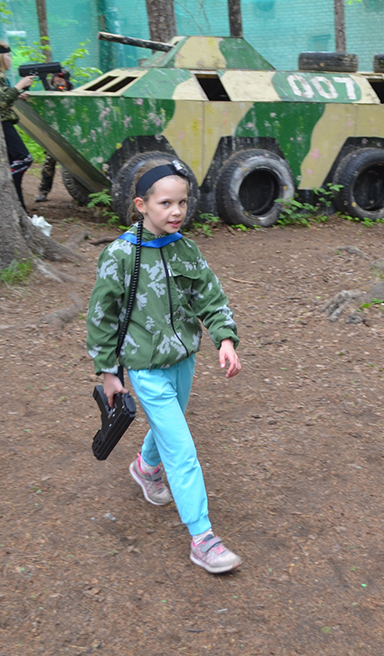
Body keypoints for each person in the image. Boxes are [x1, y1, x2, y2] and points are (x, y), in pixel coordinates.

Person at [85, 158, 243, 574]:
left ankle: (145, 467)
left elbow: (211, 296)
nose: (176, 212)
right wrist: (109, 373)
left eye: (183, 203)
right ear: (141, 205)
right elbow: (101, 317)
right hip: (146, 368)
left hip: (183, 361)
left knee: (169, 426)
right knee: (182, 450)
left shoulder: (185, 248)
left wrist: (225, 339)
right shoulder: (120, 255)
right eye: (166, 203)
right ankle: (203, 539)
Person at [0, 39, 35, 210]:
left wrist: (16, 93)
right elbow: (1, 102)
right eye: (7, 55)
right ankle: (6, 182)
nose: (10, 59)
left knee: (13, 161)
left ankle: (19, 208)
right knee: (23, 159)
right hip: (2, 124)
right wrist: (20, 85)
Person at [35, 70, 73, 203]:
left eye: (60, 82)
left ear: (67, 83)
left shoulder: (73, 95)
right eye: (55, 82)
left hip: (71, 135)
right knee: (49, 164)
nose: (58, 84)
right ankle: (43, 191)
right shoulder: (50, 95)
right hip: (55, 134)